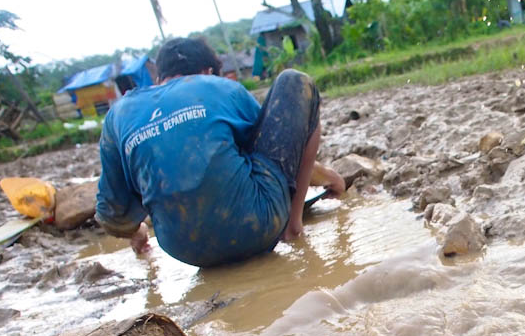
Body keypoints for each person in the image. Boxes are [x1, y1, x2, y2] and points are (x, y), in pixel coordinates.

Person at [96, 37, 345, 267]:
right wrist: (331, 178)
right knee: (295, 81)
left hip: (183, 250)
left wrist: (137, 231)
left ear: (159, 77)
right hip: (257, 226)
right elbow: (276, 149)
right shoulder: (218, 87)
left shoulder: (118, 114)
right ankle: (293, 226)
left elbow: (110, 214)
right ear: (208, 72)